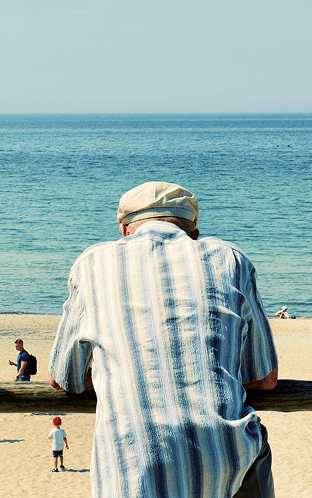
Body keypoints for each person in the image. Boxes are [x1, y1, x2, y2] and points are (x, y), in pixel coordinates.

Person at [49, 181, 279, 498]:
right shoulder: (230, 259)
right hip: (228, 461)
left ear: (124, 230)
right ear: (193, 232)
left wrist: (122, 371)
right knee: (251, 445)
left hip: (133, 472)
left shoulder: (91, 264)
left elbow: (64, 377)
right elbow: (265, 379)